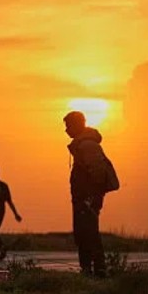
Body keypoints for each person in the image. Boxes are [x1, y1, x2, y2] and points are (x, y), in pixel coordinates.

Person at [65, 110, 110, 276]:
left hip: (87, 200)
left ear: (77, 125)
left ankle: (97, 270)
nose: (66, 130)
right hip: (82, 199)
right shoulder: (83, 145)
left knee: (89, 234)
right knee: (83, 234)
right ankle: (89, 269)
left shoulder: (88, 146)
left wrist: (91, 199)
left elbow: (98, 175)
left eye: (68, 126)